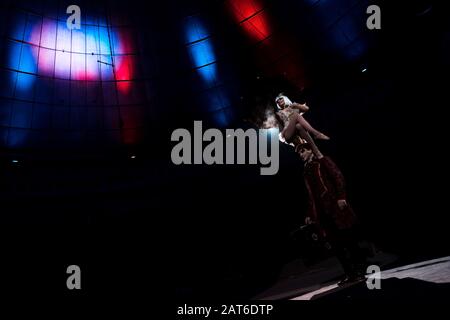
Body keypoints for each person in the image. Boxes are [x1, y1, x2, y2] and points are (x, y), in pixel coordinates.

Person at [298, 143, 366, 285]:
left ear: (310, 150)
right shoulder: (306, 170)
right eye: (299, 153)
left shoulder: (322, 161)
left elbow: (338, 176)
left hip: (335, 206)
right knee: (336, 244)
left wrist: (341, 197)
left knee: (348, 239)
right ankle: (349, 272)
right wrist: (310, 213)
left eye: (303, 151)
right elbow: (311, 195)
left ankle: (360, 271)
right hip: (322, 212)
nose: (301, 154)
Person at [275, 94, 329, 159]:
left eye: (280, 98)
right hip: (287, 134)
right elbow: (283, 128)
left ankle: (317, 153)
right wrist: (288, 124)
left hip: (297, 132)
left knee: (299, 126)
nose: (279, 101)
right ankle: (316, 134)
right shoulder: (279, 113)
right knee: (295, 115)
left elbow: (306, 108)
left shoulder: (294, 107)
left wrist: (296, 105)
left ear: (285, 98)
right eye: (277, 101)